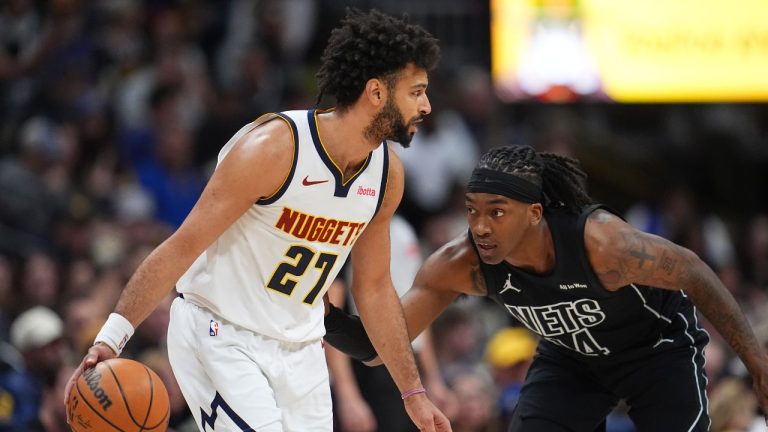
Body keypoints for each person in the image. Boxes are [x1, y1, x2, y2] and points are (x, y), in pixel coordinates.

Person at [64, 9, 451, 432]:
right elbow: (182, 245)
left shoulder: (386, 175)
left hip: (302, 349)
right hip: (222, 334)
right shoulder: (273, 149)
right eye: (416, 92)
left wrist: (413, 393)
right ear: (376, 92)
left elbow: (374, 289)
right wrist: (111, 337)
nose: (426, 106)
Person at [323, 145, 768, 431]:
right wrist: (323, 317)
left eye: (496, 212)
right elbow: (379, 346)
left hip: (655, 351)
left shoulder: (602, 243)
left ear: (535, 214)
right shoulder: (462, 264)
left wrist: (757, 364)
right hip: (572, 358)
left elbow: (694, 271)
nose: (480, 226)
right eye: (472, 211)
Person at [326, 214, 458, 431]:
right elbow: (329, 317)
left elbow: (420, 312)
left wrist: (432, 378)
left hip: (407, 364)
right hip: (368, 363)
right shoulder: (353, 224)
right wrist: (348, 394)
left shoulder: (403, 229)